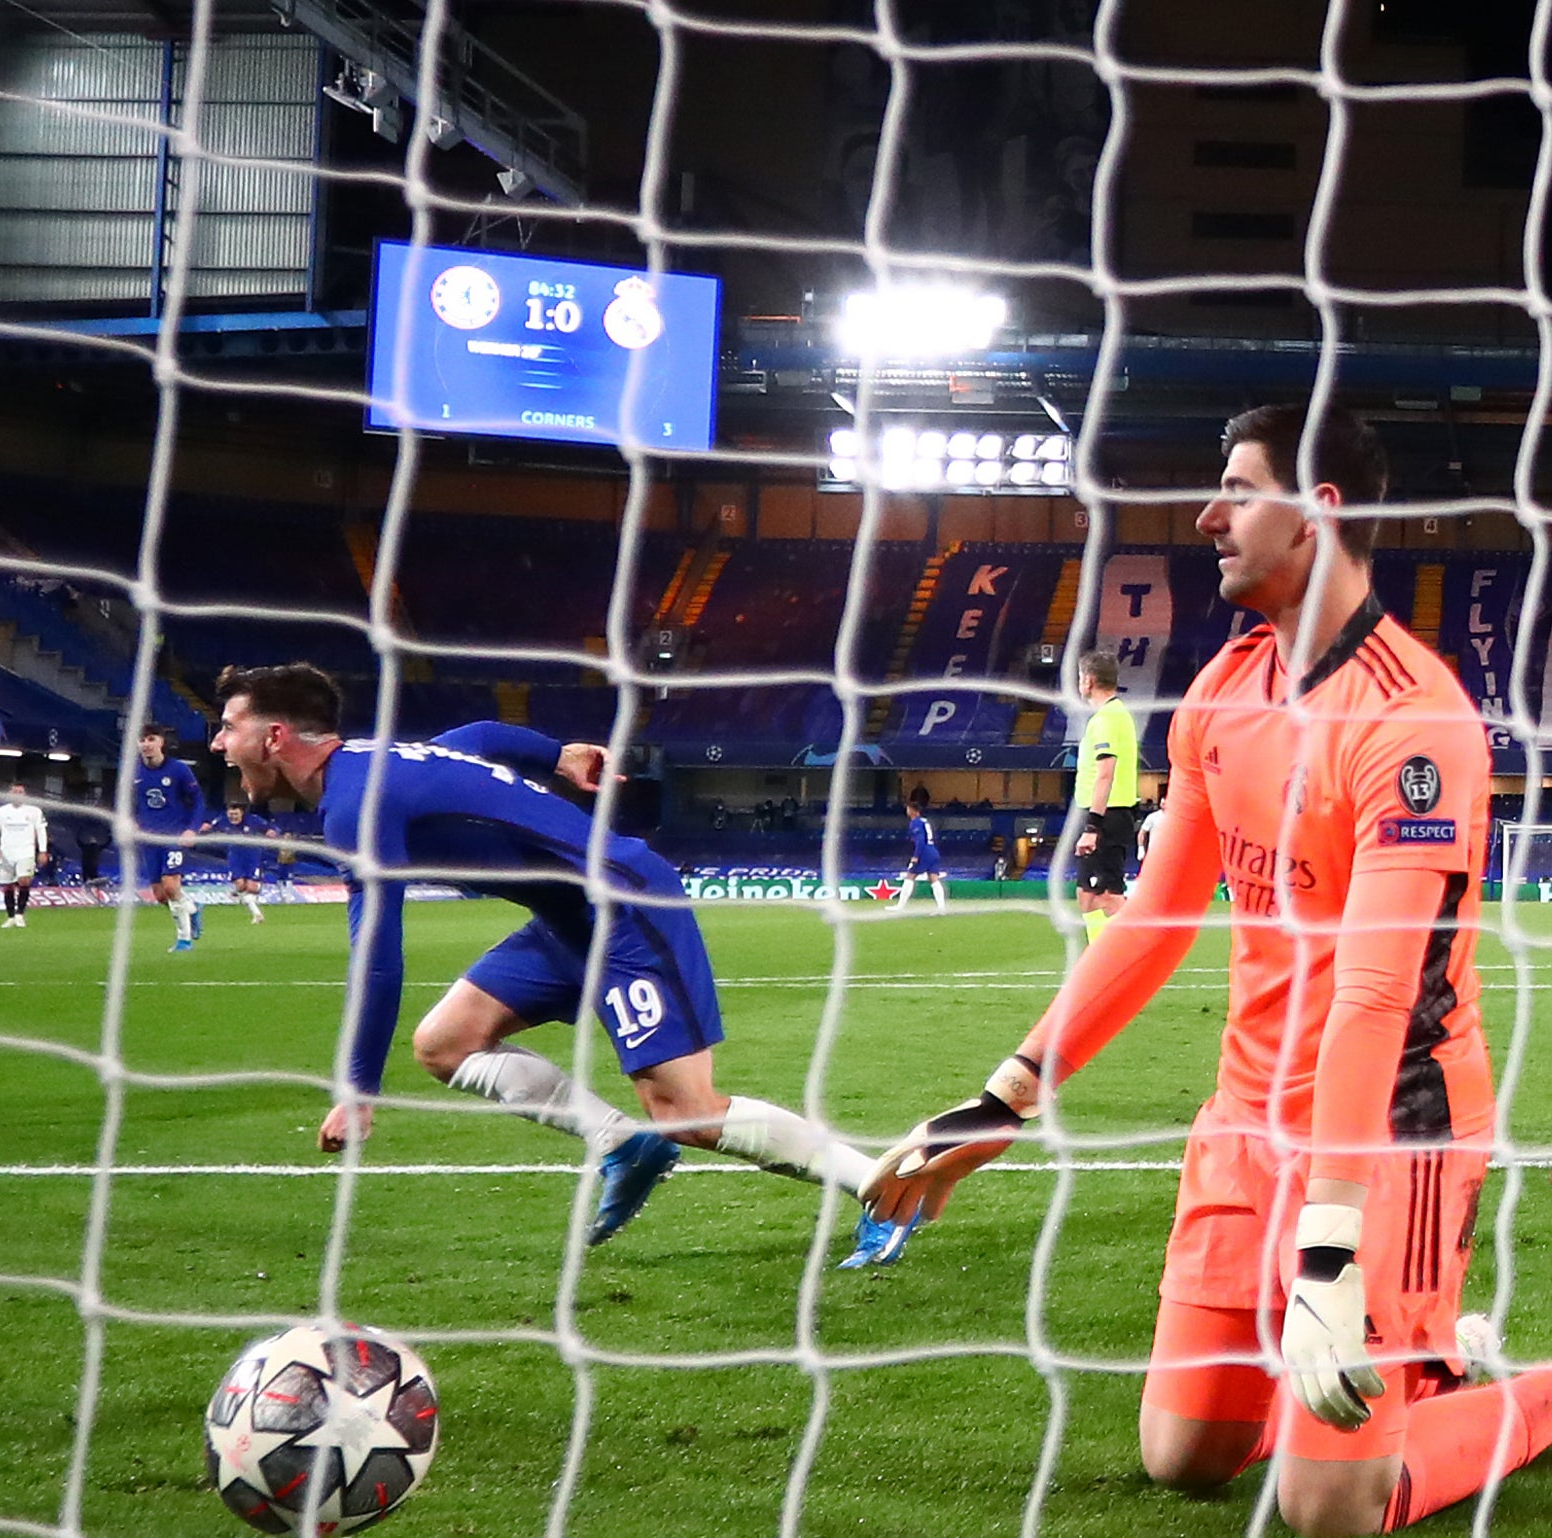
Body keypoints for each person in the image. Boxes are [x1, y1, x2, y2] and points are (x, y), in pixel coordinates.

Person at [863, 404, 1552, 1537]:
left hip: (1389, 1132)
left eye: (1236, 488)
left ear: (1318, 513)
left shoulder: (1413, 720)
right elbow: (1151, 921)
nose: (1207, 514)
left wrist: (1327, 1247)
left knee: (1327, 1506)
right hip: (1245, 1120)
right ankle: (1407, 1365)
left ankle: (1506, 1390)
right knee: (1183, 1456)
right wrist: (1008, 1093)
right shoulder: (1220, 693)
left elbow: (1378, 996)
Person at [211, 662, 912, 1258]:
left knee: (687, 1112)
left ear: (274, 737)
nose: (217, 742)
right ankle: (621, 1145)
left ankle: (882, 1194)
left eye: (228, 727)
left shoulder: (356, 802)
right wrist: (557, 755)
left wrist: (359, 1088)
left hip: (627, 907)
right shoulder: (383, 761)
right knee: (445, 1044)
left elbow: (376, 954)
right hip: (567, 921)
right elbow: (480, 738)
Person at [1071, 647, 1138, 941]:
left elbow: (1105, 774)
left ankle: (1134, 956)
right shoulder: (1112, 715)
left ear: (1088, 680)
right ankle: (1099, 961)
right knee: (1087, 895)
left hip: (1107, 816)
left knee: (1108, 895)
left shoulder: (1107, 719)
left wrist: (1092, 827)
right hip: (1104, 813)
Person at [133, 725, 204, 952]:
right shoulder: (133, 772)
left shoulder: (179, 770)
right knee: (161, 895)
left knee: (171, 886)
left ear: (161, 742)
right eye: (142, 740)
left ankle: (184, 940)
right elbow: (125, 802)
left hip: (173, 836)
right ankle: (192, 908)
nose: (146, 744)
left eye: (151, 739)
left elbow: (198, 800)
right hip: (148, 839)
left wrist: (192, 829)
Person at [0, 783, 48, 929]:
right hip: (6, 853)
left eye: (20, 792)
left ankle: (20, 914)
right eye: (15, 792)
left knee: (24, 881)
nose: (17, 794)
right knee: (8, 886)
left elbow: (41, 831)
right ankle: (10, 916)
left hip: (26, 852)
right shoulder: (0, 812)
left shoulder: (34, 811)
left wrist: (43, 850)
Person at [207, 802, 272, 924]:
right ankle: (257, 914)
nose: (233, 817)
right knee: (241, 886)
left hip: (253, 857)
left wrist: (271, 831)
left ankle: (248, 898)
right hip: (235, 858)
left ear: (242, 813)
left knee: (251, 888)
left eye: (236, 814)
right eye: (231, 814)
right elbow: (208, 827)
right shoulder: (222, 820)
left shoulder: (253, 820)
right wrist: (202, 828)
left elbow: (270, 828)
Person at [892, 785, 948, 915]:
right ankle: (941, 908)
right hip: (933, 850)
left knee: (910, 876)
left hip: (925, 852)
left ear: (914, 811)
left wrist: (916, 856)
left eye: (908, 809)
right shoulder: (925, 821)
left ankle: (900, 906)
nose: (907, 811)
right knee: (934, 878)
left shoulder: (915, 822)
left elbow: (920, 840)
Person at [1136, 783, 1168, 870]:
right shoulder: (1152, 817)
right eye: (1162, 801)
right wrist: (1141, 848)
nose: (1163, 803)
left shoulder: (1176, 818)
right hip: (1154, 853)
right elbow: (1142, 833)